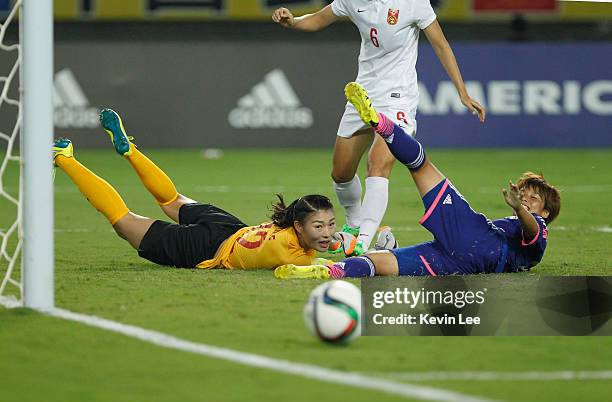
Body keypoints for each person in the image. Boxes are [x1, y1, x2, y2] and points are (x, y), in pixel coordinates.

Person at [275, 82, 560, 279]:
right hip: (461, 263)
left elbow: (532, 232)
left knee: (420, 165)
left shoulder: (539, 231)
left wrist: (520, 210)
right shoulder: (520, 245)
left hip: (476, 239)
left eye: (533, 199)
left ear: (546, 213)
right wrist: (521, 209)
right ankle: (326, 271)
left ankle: (379, 122)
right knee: (383, 263)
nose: (525, 199)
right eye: (524, 194)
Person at [272, 0, 485, 256]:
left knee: (378, 162)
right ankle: (354, 225)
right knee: (341, 173)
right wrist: (292, 21)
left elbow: (441, 45)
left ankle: (362, 242)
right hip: (362, 95)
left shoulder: (412, 3)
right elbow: (319, 18)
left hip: (398, 98)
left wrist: (462, 92)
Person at [53, 109, 337, 270]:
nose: (326, 233)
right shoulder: (290, 255)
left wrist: (333, 241)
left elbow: (319, 246)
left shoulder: (287, 226)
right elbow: (307, 269)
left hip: (230, 226)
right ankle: (63, 157)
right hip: (208, 247)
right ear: (298, 226)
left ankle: (131, 152)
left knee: (171, 198)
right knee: (123, 221)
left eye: (330, 225)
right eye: (319, 226)